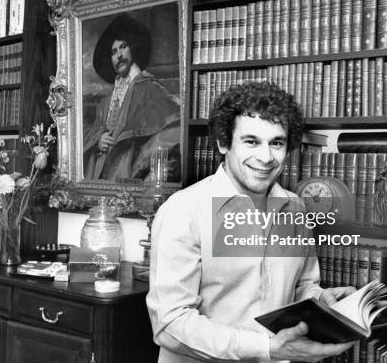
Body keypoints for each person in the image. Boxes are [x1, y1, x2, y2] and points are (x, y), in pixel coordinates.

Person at [147, 81, 355, 362]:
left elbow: (301, 286)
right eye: (251, 142)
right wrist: (265, 348)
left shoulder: (295, 207)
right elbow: (170, 325)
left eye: (277, 143)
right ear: (223, 142)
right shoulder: (183, 210)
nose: (266, 157)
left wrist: (322, 302)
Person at [83, 14, 181, 181]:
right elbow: (93, 132)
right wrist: (98, 141)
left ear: (133, 49)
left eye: (123, 47)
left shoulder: (151, 88)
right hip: (104, 178)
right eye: (114, 52)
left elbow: (173, 128)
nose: (119, 55)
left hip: (133, 175)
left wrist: (141, 160)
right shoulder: (106, 101)